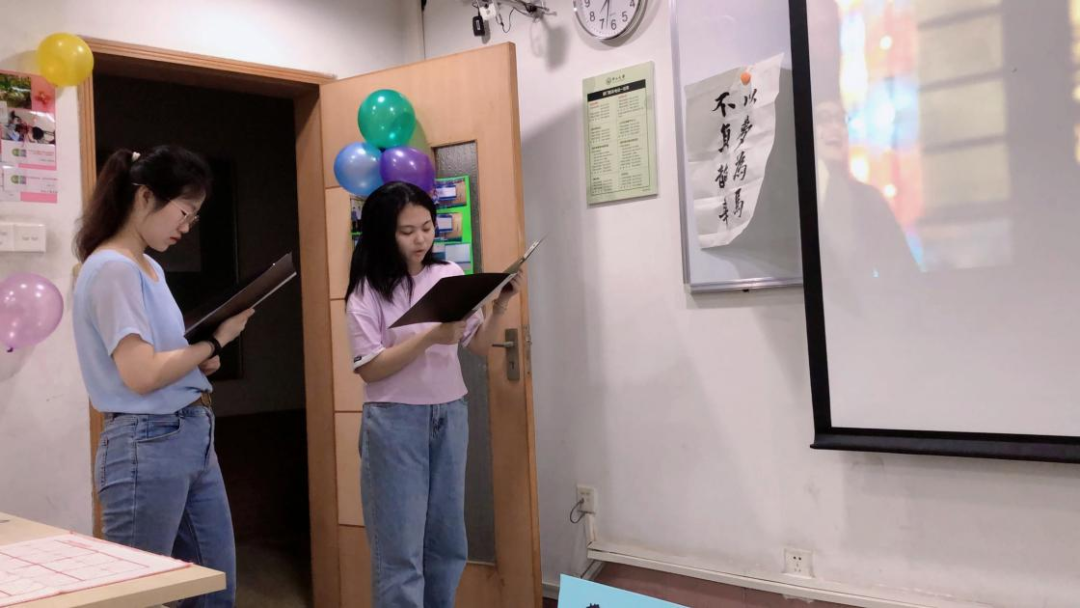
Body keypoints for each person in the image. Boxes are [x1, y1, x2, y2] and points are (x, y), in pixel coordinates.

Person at [72, 145, 254, 608]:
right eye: (184, 212)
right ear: (145, 196)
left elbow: (162, 356)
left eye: (194, 217)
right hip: (147, 440)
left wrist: (199, 360)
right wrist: (215, 343)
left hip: (191, 432)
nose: (187, 227)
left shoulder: (148, 266)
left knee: (214, 590)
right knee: (140, 596)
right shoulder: (112, 268)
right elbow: (141, 374)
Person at [345, 181, 524, 608]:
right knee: (399, 550)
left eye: (427, 227)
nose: (421, 239)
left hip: (450, 413)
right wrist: (430, 337)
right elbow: (370, 368)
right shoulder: (366, 292)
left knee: (447, 544)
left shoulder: (448, 275)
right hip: (394, 421)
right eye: (407, 231)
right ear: (383, 234)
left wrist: (500, 305)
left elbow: (478, 346)